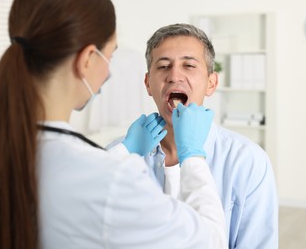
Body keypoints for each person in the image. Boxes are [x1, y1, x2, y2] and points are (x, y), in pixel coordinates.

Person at [0, 0, 228, 249]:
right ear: (88, 59)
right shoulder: (112, 176)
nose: (174, 76)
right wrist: (192, 155)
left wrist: (123, 152)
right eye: (110, 55)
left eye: (189, 65)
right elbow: (211, 242)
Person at [109, 23, 278, 249]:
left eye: (189, 65)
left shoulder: (248, 161)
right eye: (163, 66)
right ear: (148, 84)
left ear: (211, 83)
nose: (174, 76)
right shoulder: (119, 154)